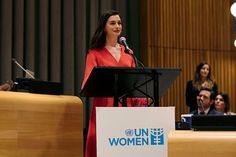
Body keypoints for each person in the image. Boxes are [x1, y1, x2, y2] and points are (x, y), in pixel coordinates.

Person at [81, 10, 148, 157]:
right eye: (112, 23)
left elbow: (134, 83)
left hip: (126, 110)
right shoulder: (95, 53)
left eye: (119, 23)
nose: (117, 26)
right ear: (104, 27)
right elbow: (87, 83)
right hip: (105, 108)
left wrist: (142, 98)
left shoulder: (128, 52)